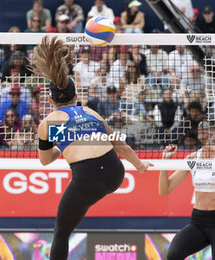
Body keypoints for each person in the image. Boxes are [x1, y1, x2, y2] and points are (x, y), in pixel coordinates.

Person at [31, 35, 153, 260]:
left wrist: (60, 150)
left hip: (87, 179)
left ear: (50, 101)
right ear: (77, 97)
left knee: (61, 232)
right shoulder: (91, 112)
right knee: (74, 214)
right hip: (116, 174)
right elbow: (121, 146)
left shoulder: (48, 123)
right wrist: (141, 165)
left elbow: (46, 160)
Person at [159, 120, 215, 259]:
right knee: (173, 254)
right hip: (198, 222)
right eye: (200, 127)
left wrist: (211, 145)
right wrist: (164, 162)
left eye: (207, 128)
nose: (202, 130)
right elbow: (165, 190)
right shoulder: (192, 158)